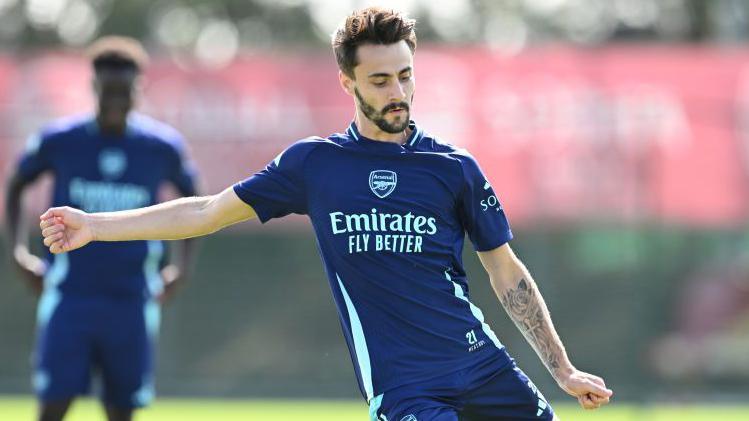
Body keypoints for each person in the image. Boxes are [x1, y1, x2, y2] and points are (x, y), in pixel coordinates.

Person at [38, 9, 611, 421]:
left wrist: (562, 370)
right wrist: (95, 226)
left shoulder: (453, 168)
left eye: (406, 76)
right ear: (348, 82)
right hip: (405, 388)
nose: (398, 92)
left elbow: (506, 272)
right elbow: (206, 212)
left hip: (480, 365)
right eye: (380, 80)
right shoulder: (314, 166)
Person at [6, 36, 199, 421]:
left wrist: (181, 267)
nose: (115, 100)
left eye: (123, 91)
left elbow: (195, 202)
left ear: (138, 89)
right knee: (53, 406)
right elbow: (16, 185)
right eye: (107, 90)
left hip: (132, 300)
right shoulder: (61, 140)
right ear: (93, 86)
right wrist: (17, 251)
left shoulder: (161, 147)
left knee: (121, 411)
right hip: (69, 297)